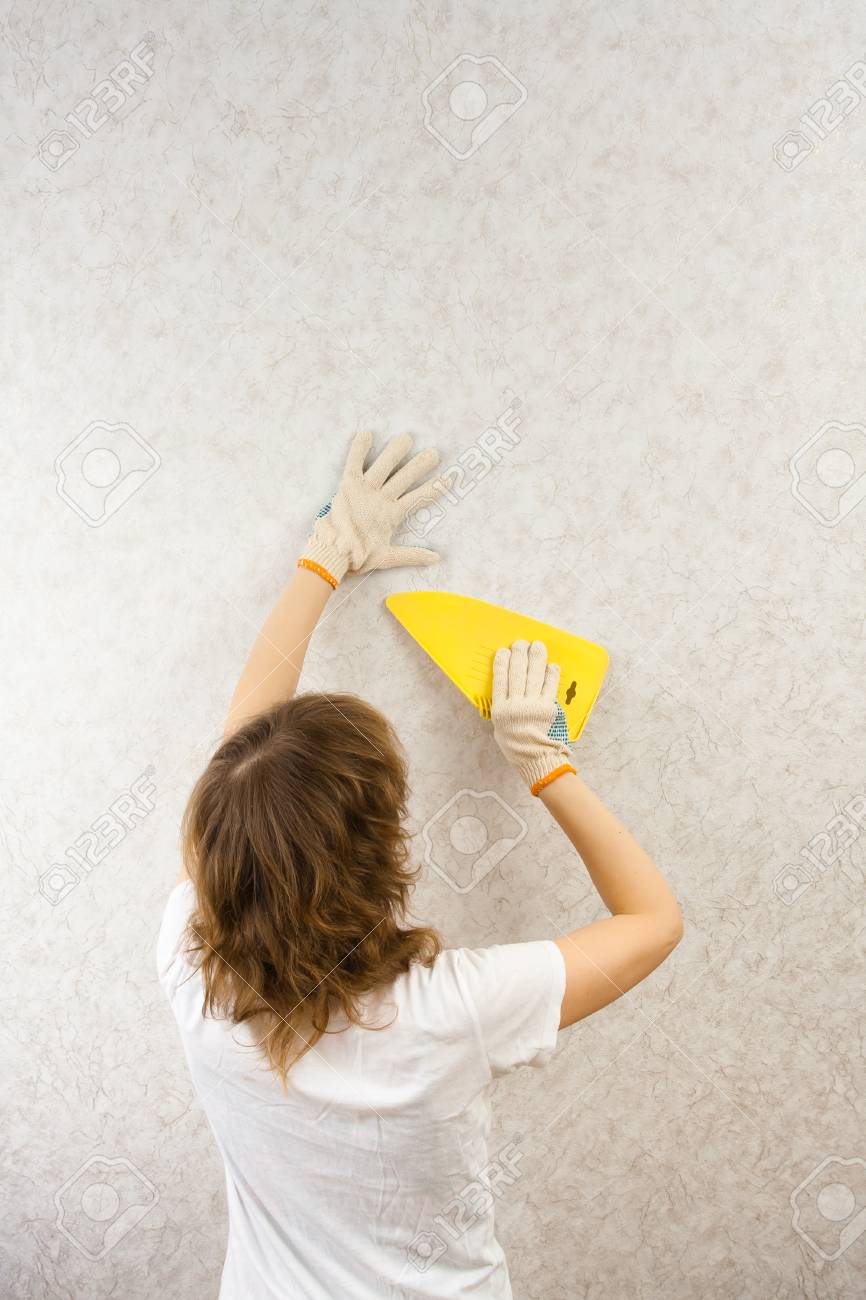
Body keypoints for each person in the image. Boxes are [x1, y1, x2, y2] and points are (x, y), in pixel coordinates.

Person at [157, 431, 683, 1300]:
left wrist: (321, 560)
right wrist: (547, 765)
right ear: (387, 855)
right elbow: (654, 923)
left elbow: (242, 768)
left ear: (218, 846)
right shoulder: (451, 1013)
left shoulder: (190, 960)